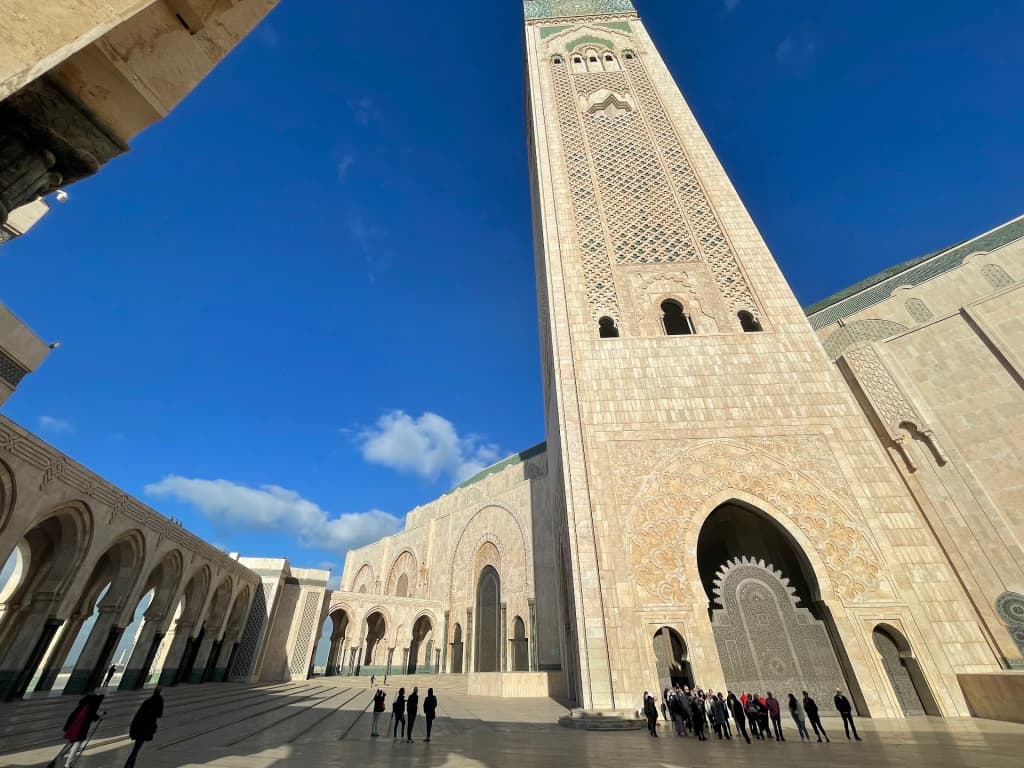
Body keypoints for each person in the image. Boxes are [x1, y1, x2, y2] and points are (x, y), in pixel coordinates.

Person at [47, 691, 104, 768]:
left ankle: (56, 760)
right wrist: (99, 717)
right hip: (80, 727)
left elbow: (90, 714)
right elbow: (91, 715)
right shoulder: (92, 704)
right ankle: (68, 765)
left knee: (71, 742)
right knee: (77, 743)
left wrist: (97, 716)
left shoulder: (85, 702)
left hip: (73, 725)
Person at [123, 688, 163, 768]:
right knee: (136, 749)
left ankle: (130, 766)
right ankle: (127, 766)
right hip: (145, 729)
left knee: (136, 748)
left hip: (139, 727)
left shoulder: (147, 701)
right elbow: (159, 714)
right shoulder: (159, 701)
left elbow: (138, 715)